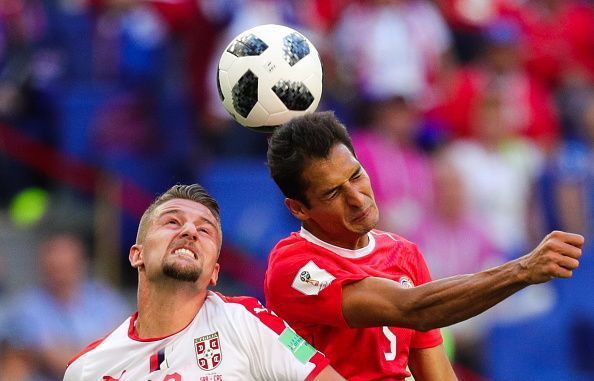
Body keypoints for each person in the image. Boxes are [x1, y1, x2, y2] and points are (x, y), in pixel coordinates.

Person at [263, 111, 584, 380]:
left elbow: (437, 372)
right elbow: (411, 308)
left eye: (357, 176)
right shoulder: (294, 267)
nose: (357, 198)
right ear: (299, 209)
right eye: (333, 193)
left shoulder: (403, 254)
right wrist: (522, 270)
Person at [64, 184, 344, 381]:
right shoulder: (88, 369)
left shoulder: (244, 321)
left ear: (214, 272)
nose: (189, 231)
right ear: (138, 255)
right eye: (172, 222)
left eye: (204, 229)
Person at [3, 232, 130, 380]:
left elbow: (126, 342)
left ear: (81, 264)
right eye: (55, 268)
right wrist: (101, 348)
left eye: (66, 266)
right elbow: (57, 360)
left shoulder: (103, 297)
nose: (61, 276)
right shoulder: (26, 308)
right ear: (42, 268)